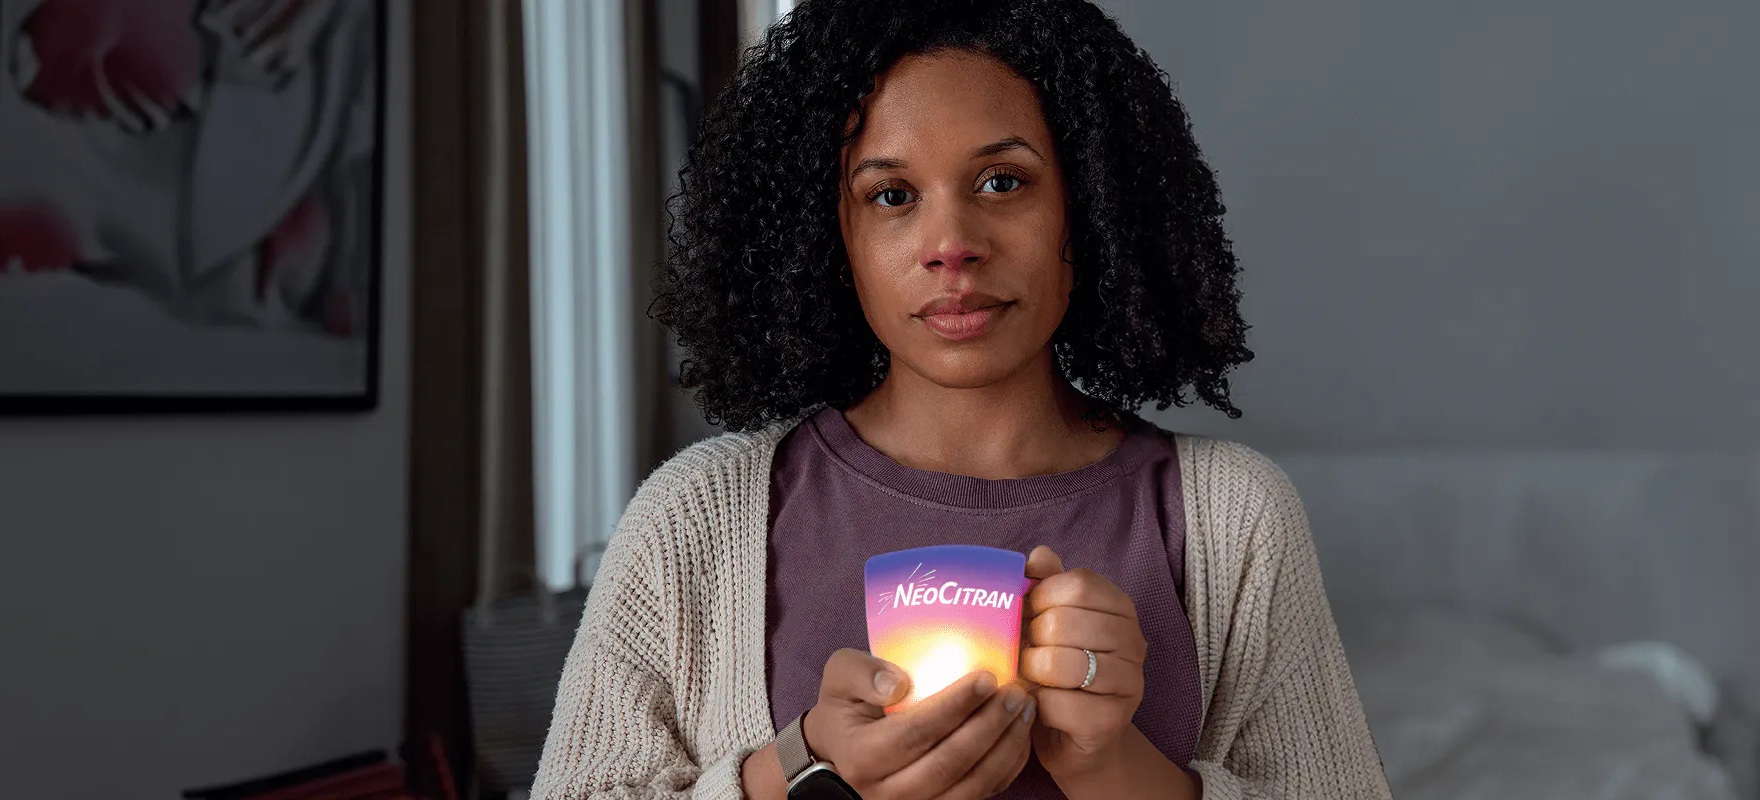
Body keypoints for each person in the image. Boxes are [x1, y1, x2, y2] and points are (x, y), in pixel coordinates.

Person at [531, 1, 1389, 797]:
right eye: (892, 196)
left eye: (1002, 182)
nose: (952, 245)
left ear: (1086, 208)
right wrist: (799, 765)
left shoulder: (1234, 517)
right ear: (833, 239)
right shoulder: (694, 520)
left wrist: (1118, 769)